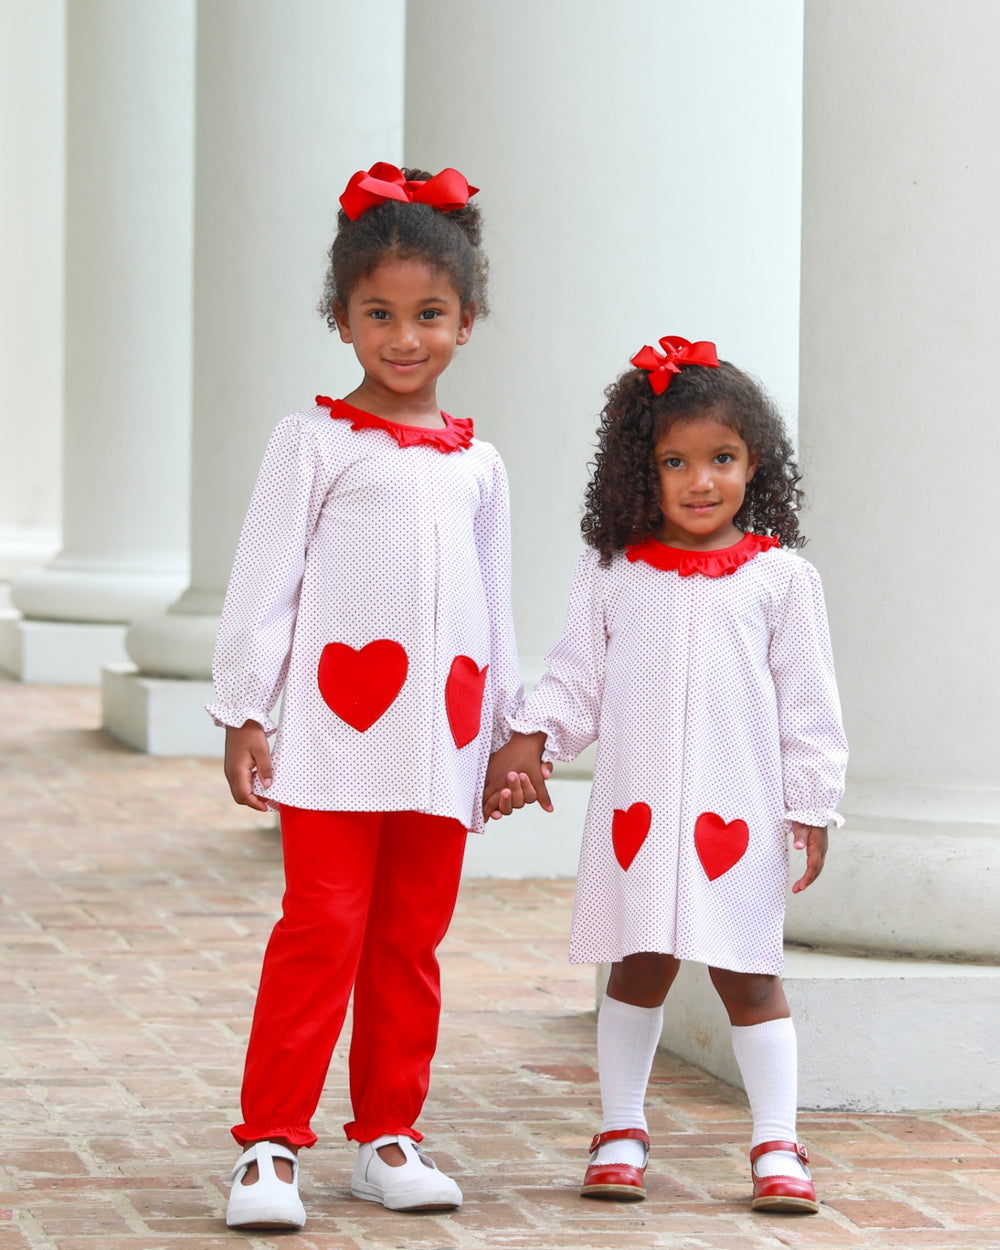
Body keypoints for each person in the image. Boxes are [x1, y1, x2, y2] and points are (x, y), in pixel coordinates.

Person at [207, 163, 525, 1231]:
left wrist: (509, 731)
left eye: (429, 313)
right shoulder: (312, 443)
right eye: (378, 313)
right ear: (340, 318)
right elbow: (264, 581)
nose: (404, 336)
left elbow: (495, 603)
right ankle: (269, 1141)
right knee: (322, 925)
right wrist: (246, 707)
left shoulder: (480, 464)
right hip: (335, 738)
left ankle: (390, 1131)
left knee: (410, 937)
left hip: (444, 738)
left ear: (466, 320)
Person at [484, 337, 848, 1213]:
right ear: (638, 471)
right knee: (638, 966)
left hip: (738, 815)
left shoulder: (782, 581)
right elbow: (576, 678)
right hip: (639, 812)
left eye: (722, 458)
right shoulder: (614, 571)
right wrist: (533, 739)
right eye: (674, 462)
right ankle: (620, 1129)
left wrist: (811, 804)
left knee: (749, 976)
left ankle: (777, 1142)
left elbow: (809, 705)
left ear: (754, 463)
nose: (700, 481)